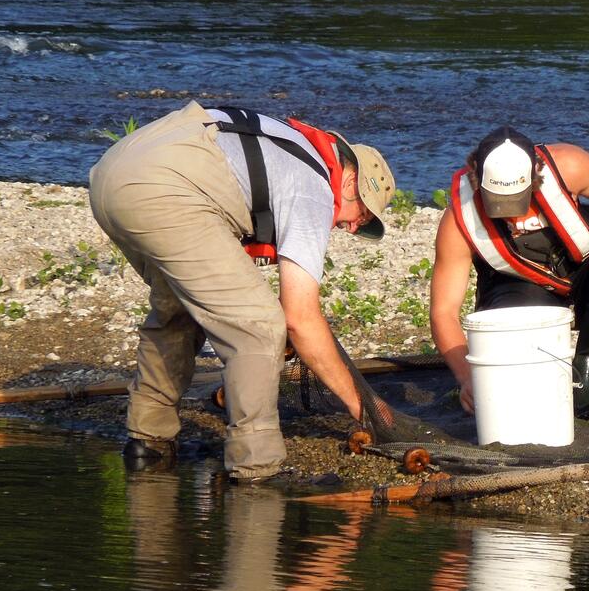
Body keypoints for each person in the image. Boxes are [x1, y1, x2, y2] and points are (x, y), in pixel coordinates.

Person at [89, 100, 395, 481]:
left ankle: (147, 441)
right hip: (168, 189)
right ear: (349, 182)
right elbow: (299, 318)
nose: (351, 228)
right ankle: (255, 467)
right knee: (259, 327)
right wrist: (363, 407)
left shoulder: (288, 145)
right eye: (361, 215)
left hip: (110, 175)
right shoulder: (314, 187)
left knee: (180, 309)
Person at [430, 128, 589, 421]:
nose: (510, 214)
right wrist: (466, 378)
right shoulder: (457, 222)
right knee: (521, 382)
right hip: (517, 289)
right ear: (478, 182)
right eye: (497, 202)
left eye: (516, 199)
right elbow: (443, 311)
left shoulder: (569, 166)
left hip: (580, 273)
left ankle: (585, 369)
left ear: (535, 177)